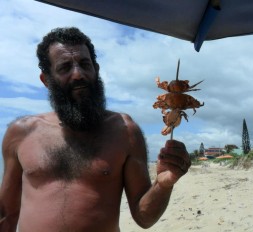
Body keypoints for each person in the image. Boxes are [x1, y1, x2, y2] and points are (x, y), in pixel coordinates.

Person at [0, 27, 191, 232]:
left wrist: (163, 185)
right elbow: (6, 215)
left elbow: (144, 217)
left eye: (85, 64)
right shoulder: (21, 133)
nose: (78, 74)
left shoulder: (125, 131)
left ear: (96, 69)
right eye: (65, 67)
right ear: (46, 80)